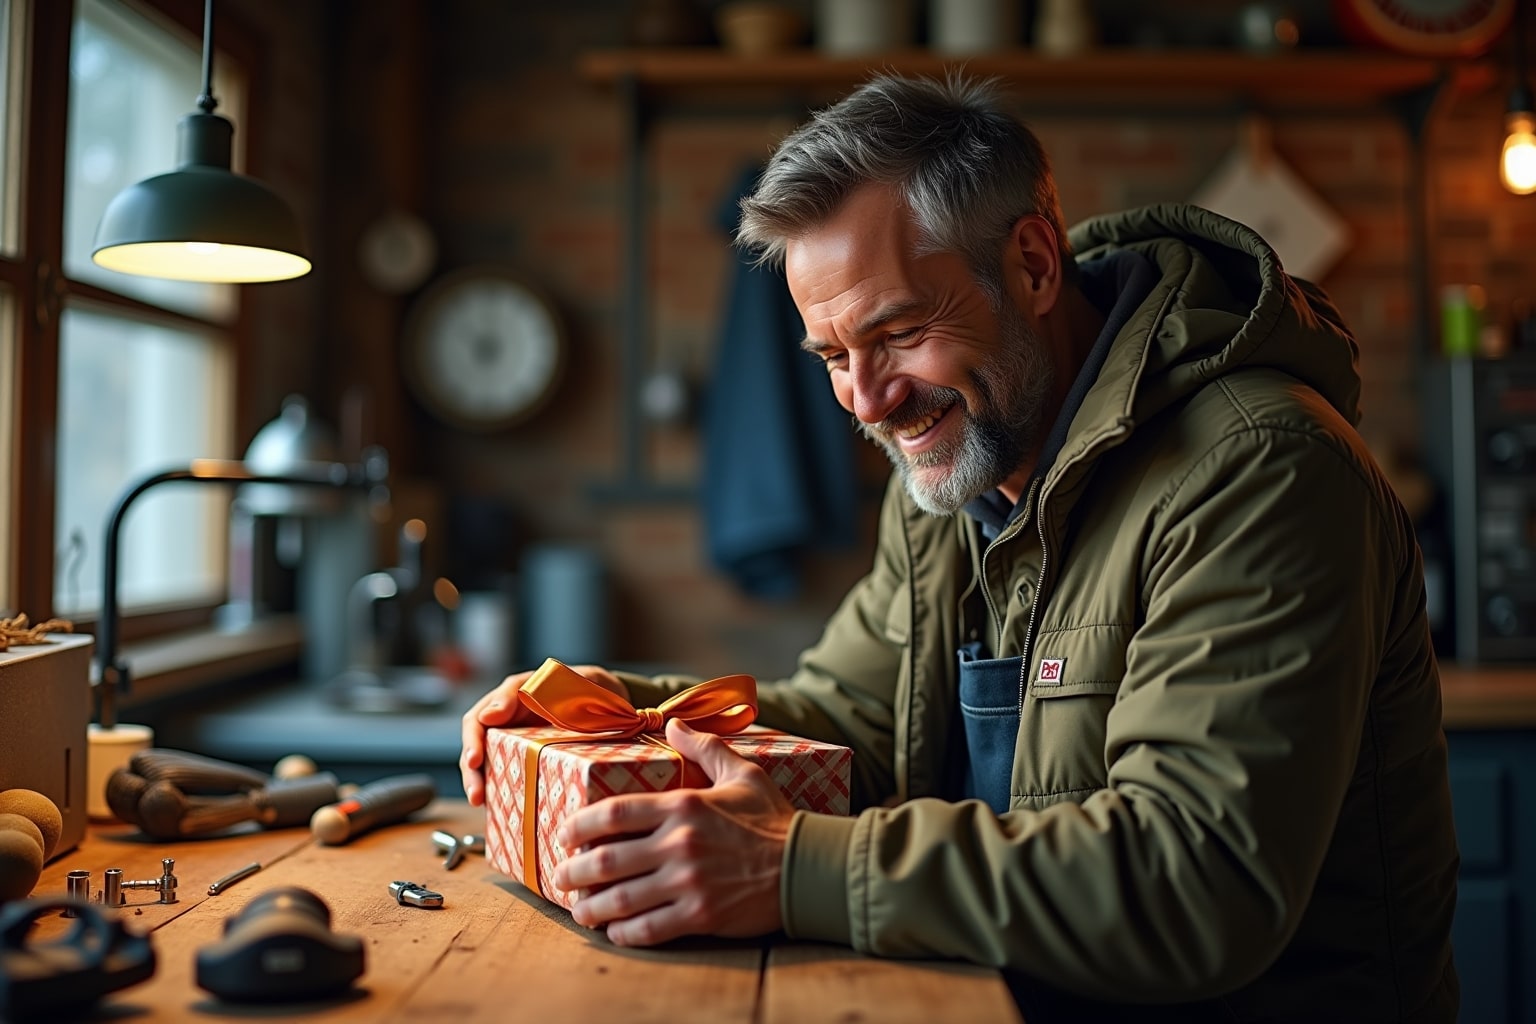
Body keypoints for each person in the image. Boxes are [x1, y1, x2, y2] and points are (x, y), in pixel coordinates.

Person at [460, 74, 1459, 1021]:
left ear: (1031, 263)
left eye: (896, 332)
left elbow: (1196, 879)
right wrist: (625, 712)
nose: (868, 400)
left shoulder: (1258, 469)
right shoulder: (956, 470)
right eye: (833, 357)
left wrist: (788, 866)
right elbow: (852, 717)